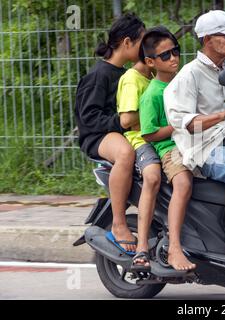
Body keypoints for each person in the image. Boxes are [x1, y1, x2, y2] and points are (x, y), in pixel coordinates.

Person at [164, 10, 225, 262]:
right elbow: (186, 124)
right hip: (204, 148)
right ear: (208, 39)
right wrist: (224, 115)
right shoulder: (190, 75)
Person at [74, 13, 145, 255]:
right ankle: (118, 224)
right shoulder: (99, 75)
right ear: (127, 43)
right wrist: (123, 123)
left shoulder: (128, 74)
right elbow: (89, 118)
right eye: (141, 42)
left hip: (119, 130)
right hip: (97, 136)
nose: (145, 48)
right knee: (125, 153)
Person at [139, 27, 196, 271]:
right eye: (165, 55)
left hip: (195, 143)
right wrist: (178, 125)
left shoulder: (184, 83)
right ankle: (174, 247)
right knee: (183, 182)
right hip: (170, 148)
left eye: (176, 51)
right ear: (151, 62)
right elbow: (149, 133)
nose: (173, 58)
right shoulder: (152, 94)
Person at [116, 36, 161, 269]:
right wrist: (151, 110)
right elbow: (125, 121)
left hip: (161, 137)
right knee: (152, 176)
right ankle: (142, 246)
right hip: (140, 140)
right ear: (149, 57)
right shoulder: (132, 79)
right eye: (164, 54)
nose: (171, 59)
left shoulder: (152, 77)